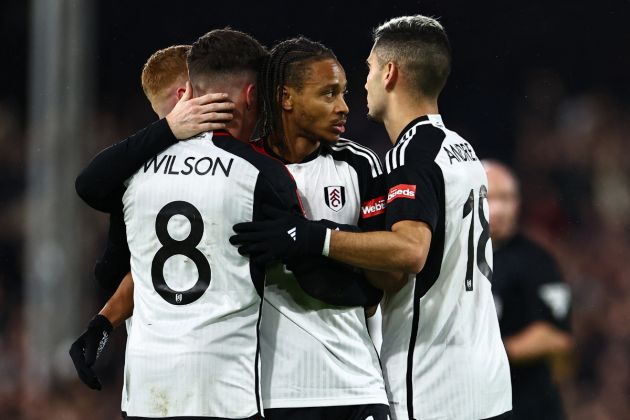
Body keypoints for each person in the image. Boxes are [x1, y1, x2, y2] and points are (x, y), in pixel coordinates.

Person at [231, 15, 512, 420]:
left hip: (433, 382)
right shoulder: (460, 149)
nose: (359, 89)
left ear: (390, 73)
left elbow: (408, 255)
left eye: (367, 70)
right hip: (487, 379)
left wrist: (313, 239)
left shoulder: (405, 155)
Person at [72, 29, 303, 420]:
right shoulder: (261, 174)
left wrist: (104, 321)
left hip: (147, 388)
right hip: (226, 391)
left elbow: (112, 259)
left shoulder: (135, 173)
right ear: (252, 97)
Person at [70, 43, 234, 390]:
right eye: (208, 87)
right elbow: (88, 184)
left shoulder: (135, 174)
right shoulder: (237, 170)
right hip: (224, 376)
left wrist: (102, 322)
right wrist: (169, 129)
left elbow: (113, 269)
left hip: (151, 377)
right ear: (184, 95)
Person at [251, 37, 390, 420]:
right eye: (329, 94)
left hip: (358, 382)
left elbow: (383, 276)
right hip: (274, 391)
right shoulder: (243, 169)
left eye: (344, 93)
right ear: (286, 97)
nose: (344, 107)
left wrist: (312, 240)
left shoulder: (360, 164)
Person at [484, 160, 573, 420]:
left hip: (528, 406)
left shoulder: (536, 260)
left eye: (507, 198)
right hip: (475, 404)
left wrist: (491, 354)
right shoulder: (452, 259)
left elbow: (556, 335)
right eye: (489, 198)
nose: (498, 209)